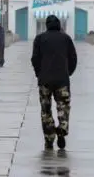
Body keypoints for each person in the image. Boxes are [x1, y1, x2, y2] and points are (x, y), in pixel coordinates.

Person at [31, 15, 78, 150]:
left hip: (44, 81)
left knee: (45, 110)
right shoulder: (66, 38)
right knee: (63, 106)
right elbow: (73, 58)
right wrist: (68, 72)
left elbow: (34, 59)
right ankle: (62, 130)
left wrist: (39, 73)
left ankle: (49, 137)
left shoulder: (39, 39)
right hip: (62, 80)